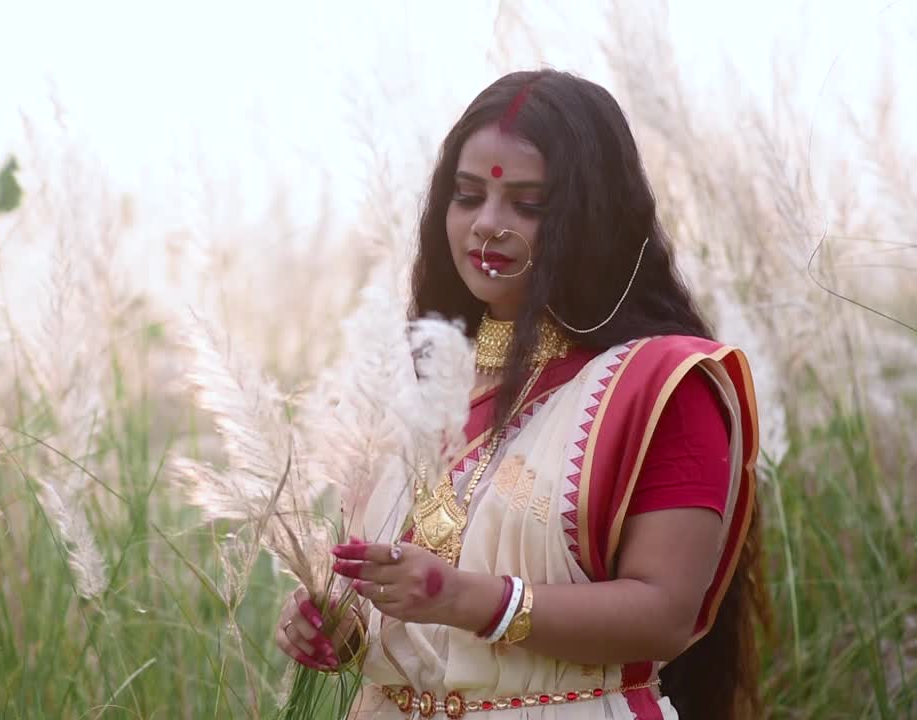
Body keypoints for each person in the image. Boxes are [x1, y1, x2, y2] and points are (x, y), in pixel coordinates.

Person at [273, 69, 767, 720]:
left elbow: (665, 614)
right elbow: (413, 623)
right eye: (468, 196)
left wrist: (468, 598)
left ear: (592, 216)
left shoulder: (659, 386)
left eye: (528, 205)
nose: (487, 225)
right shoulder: (410, 386)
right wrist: (341, 627)